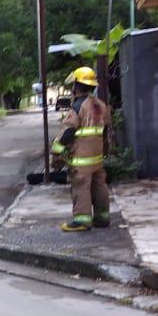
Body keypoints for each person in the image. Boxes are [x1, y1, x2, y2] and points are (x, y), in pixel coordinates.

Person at [51, 66, 112, 232]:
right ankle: (102, 217)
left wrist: (57, 151)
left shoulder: (78, 106)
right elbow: (105, 131)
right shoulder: (101, 105)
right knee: (99, 186)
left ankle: (82, 221)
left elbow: (69, 131)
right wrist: (106, 150)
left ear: (77, 85)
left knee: (81, 186)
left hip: (81, 158)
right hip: (97, 157)